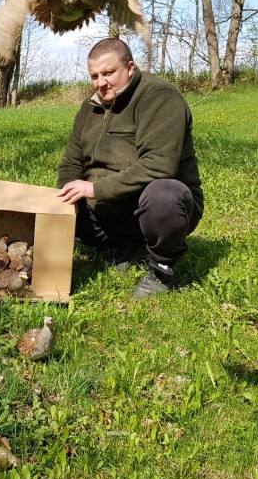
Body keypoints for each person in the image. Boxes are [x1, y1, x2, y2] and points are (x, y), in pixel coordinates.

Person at [57, 38, 204, 299]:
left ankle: (161, 266)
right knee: (58, 203)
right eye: (94, 75)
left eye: (109, 73)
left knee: (164, 195)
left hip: (153, 203)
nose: (101, 82)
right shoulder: (89, 107)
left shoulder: (159, 97)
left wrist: (95, 188)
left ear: (130, 68)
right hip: (106, 207)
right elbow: (71, 163)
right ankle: (129, 245)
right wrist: (66, 197)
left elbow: (159, 166)